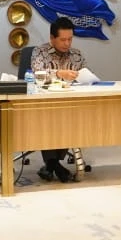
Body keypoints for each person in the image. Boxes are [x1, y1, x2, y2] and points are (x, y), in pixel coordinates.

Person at [30, 17, 86, 182]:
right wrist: (59, 73)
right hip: (44, 104)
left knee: (68, 118)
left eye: (70, 39)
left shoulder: (76, 54)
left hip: (70, 103)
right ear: (52, 38)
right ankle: (55, 165)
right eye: (62, 39)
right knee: (48, 120)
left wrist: (84, 77)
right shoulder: (39, 52)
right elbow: (37, 74)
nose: (67, 43)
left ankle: (51, 165)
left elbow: (85, 75)